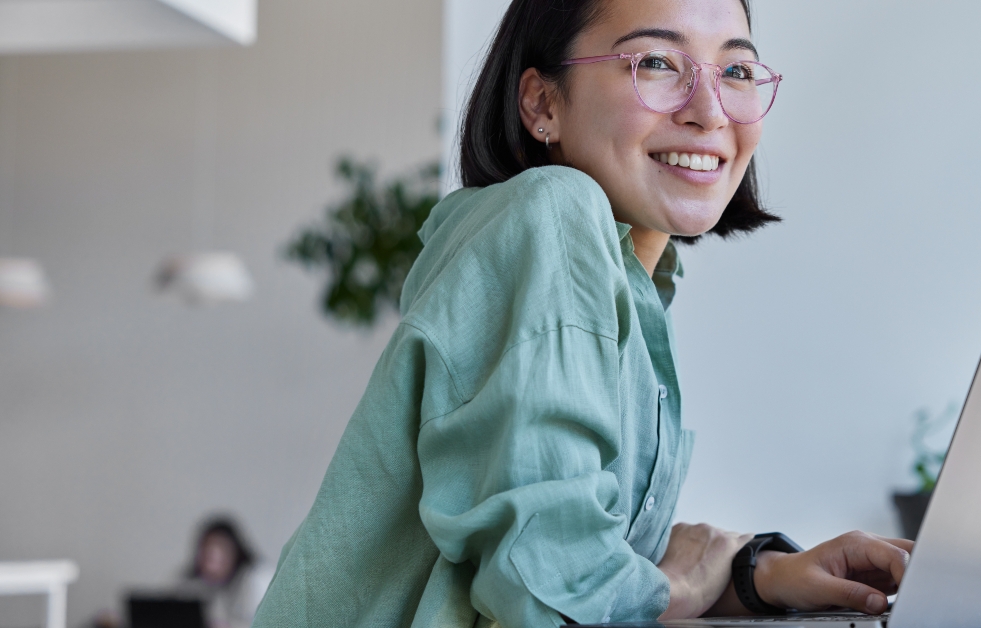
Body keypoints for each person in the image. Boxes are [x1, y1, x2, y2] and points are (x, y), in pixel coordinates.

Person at [252, 0, 913, 625]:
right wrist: (682, 587)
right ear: (542, 102)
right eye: (656, 62)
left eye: (736, 70)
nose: (710, 111)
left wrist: (754, 574)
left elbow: (575, 545)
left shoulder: (636, 283)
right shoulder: (552, 213)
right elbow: (550, 582)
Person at [178, 517, 271, 628]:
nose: (210, 565)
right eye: (206, 556)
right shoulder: (218, 589)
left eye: (217, 555)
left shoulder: (258, 579)